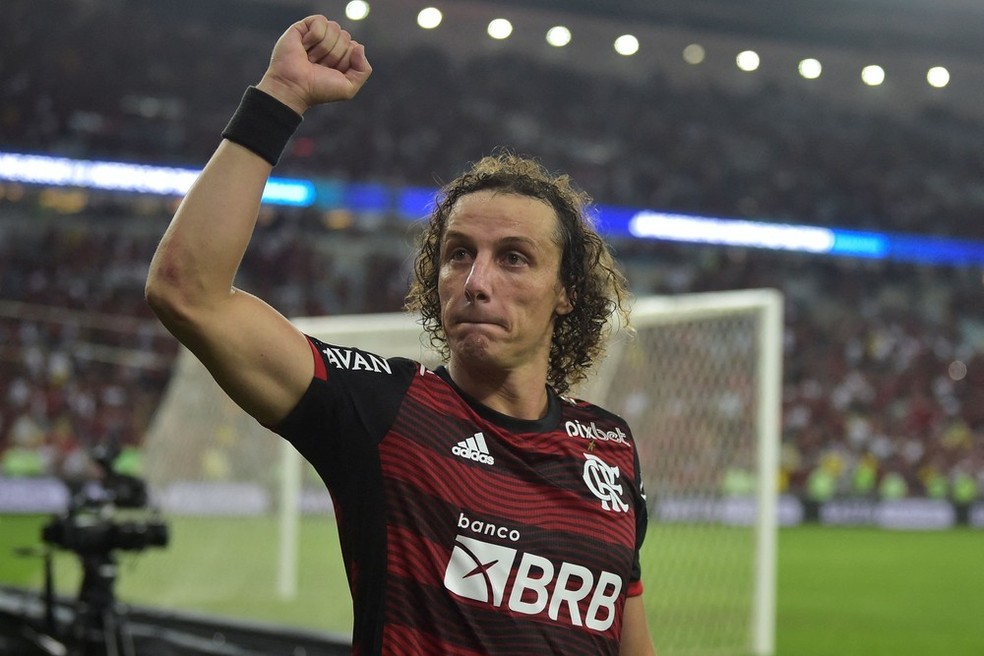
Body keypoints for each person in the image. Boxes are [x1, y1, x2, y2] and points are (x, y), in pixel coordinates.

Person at [146, 15, 656, 655]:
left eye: (514, 258)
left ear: (567, 294)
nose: (475, 281)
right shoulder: (386, 410)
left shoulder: (610, 446)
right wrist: (280, 95)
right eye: (458, 254)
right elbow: (186, 290)